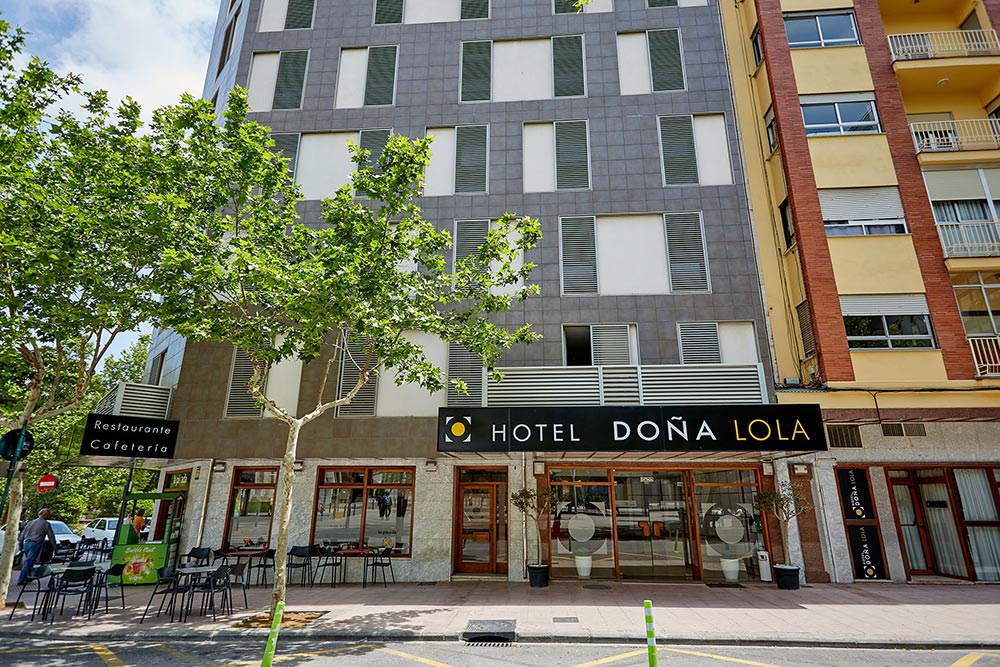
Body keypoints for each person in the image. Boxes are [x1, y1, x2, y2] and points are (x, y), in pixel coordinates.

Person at [17, 508, 57, 585]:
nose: (49, 517)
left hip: (26, 543)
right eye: (48, 515)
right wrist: (54, 545)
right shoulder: (46, 524)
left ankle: (28, 576)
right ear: (45, 514)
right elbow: (51, 536)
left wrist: (20, 544)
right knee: (29, 561)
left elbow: (22, 534)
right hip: (35, 543)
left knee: (30, 561)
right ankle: (21, 579)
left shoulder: (30, 522)